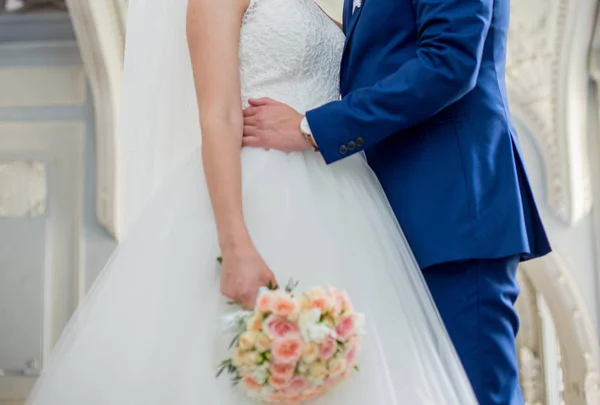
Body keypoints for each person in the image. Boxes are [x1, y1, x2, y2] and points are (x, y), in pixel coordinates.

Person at [25, 0, 487, 404]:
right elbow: (219, 115)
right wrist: (235, 243)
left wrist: (314, 128)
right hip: (263, 193)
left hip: (346, 195)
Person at [240, 0, 552, 404]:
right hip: (386, 220)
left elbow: (449, 62)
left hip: (450, 211)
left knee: (477, 394)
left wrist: (310, 128)